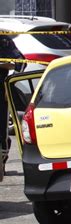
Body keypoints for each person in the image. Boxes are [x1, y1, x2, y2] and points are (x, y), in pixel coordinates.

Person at [0, 35, 24, 176]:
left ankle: (2, 160)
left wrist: (11, 81)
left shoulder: (4, 41)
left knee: (2, 128)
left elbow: (20, 61)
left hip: (1, 90)